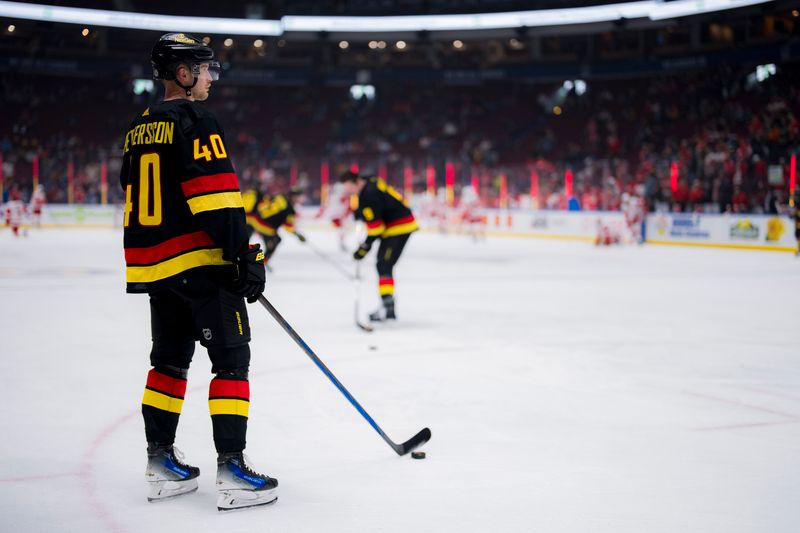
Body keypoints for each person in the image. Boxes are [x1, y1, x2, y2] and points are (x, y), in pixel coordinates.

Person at [120, 33, 276, 511]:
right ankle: (231, 471)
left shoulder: (139, 126)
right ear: (182, 74)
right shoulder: (196, 119)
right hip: (201, 265)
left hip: (157, 267)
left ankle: (160, 463)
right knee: (231, 362)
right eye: (204, 69)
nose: (210, 76)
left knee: (167, 363)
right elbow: (217, 198)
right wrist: (242, 255)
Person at [340, 170, 418, 321]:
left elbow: (376, 228)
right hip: (397, 224)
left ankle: (387, 306)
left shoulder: (367, 195)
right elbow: (381, 205)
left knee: (384, 264)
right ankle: (387, 305)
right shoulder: (370, 183)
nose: (348, 191)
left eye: (348, 187)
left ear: (355, 182)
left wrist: (364, 247)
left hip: (398, 227)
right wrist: (362, 212)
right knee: (383, 265)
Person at [246, 187, 307, 268]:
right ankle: (261, 262)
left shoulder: (280, 197)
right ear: (293, 196)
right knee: (276, 241)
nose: (298, 199)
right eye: (297, 197)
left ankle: (260, 262)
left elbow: (265, 201)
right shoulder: (290, 210)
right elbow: (288, 226)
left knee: (272, 241)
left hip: (255, 219)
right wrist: (297, 235)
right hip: (265, 227)